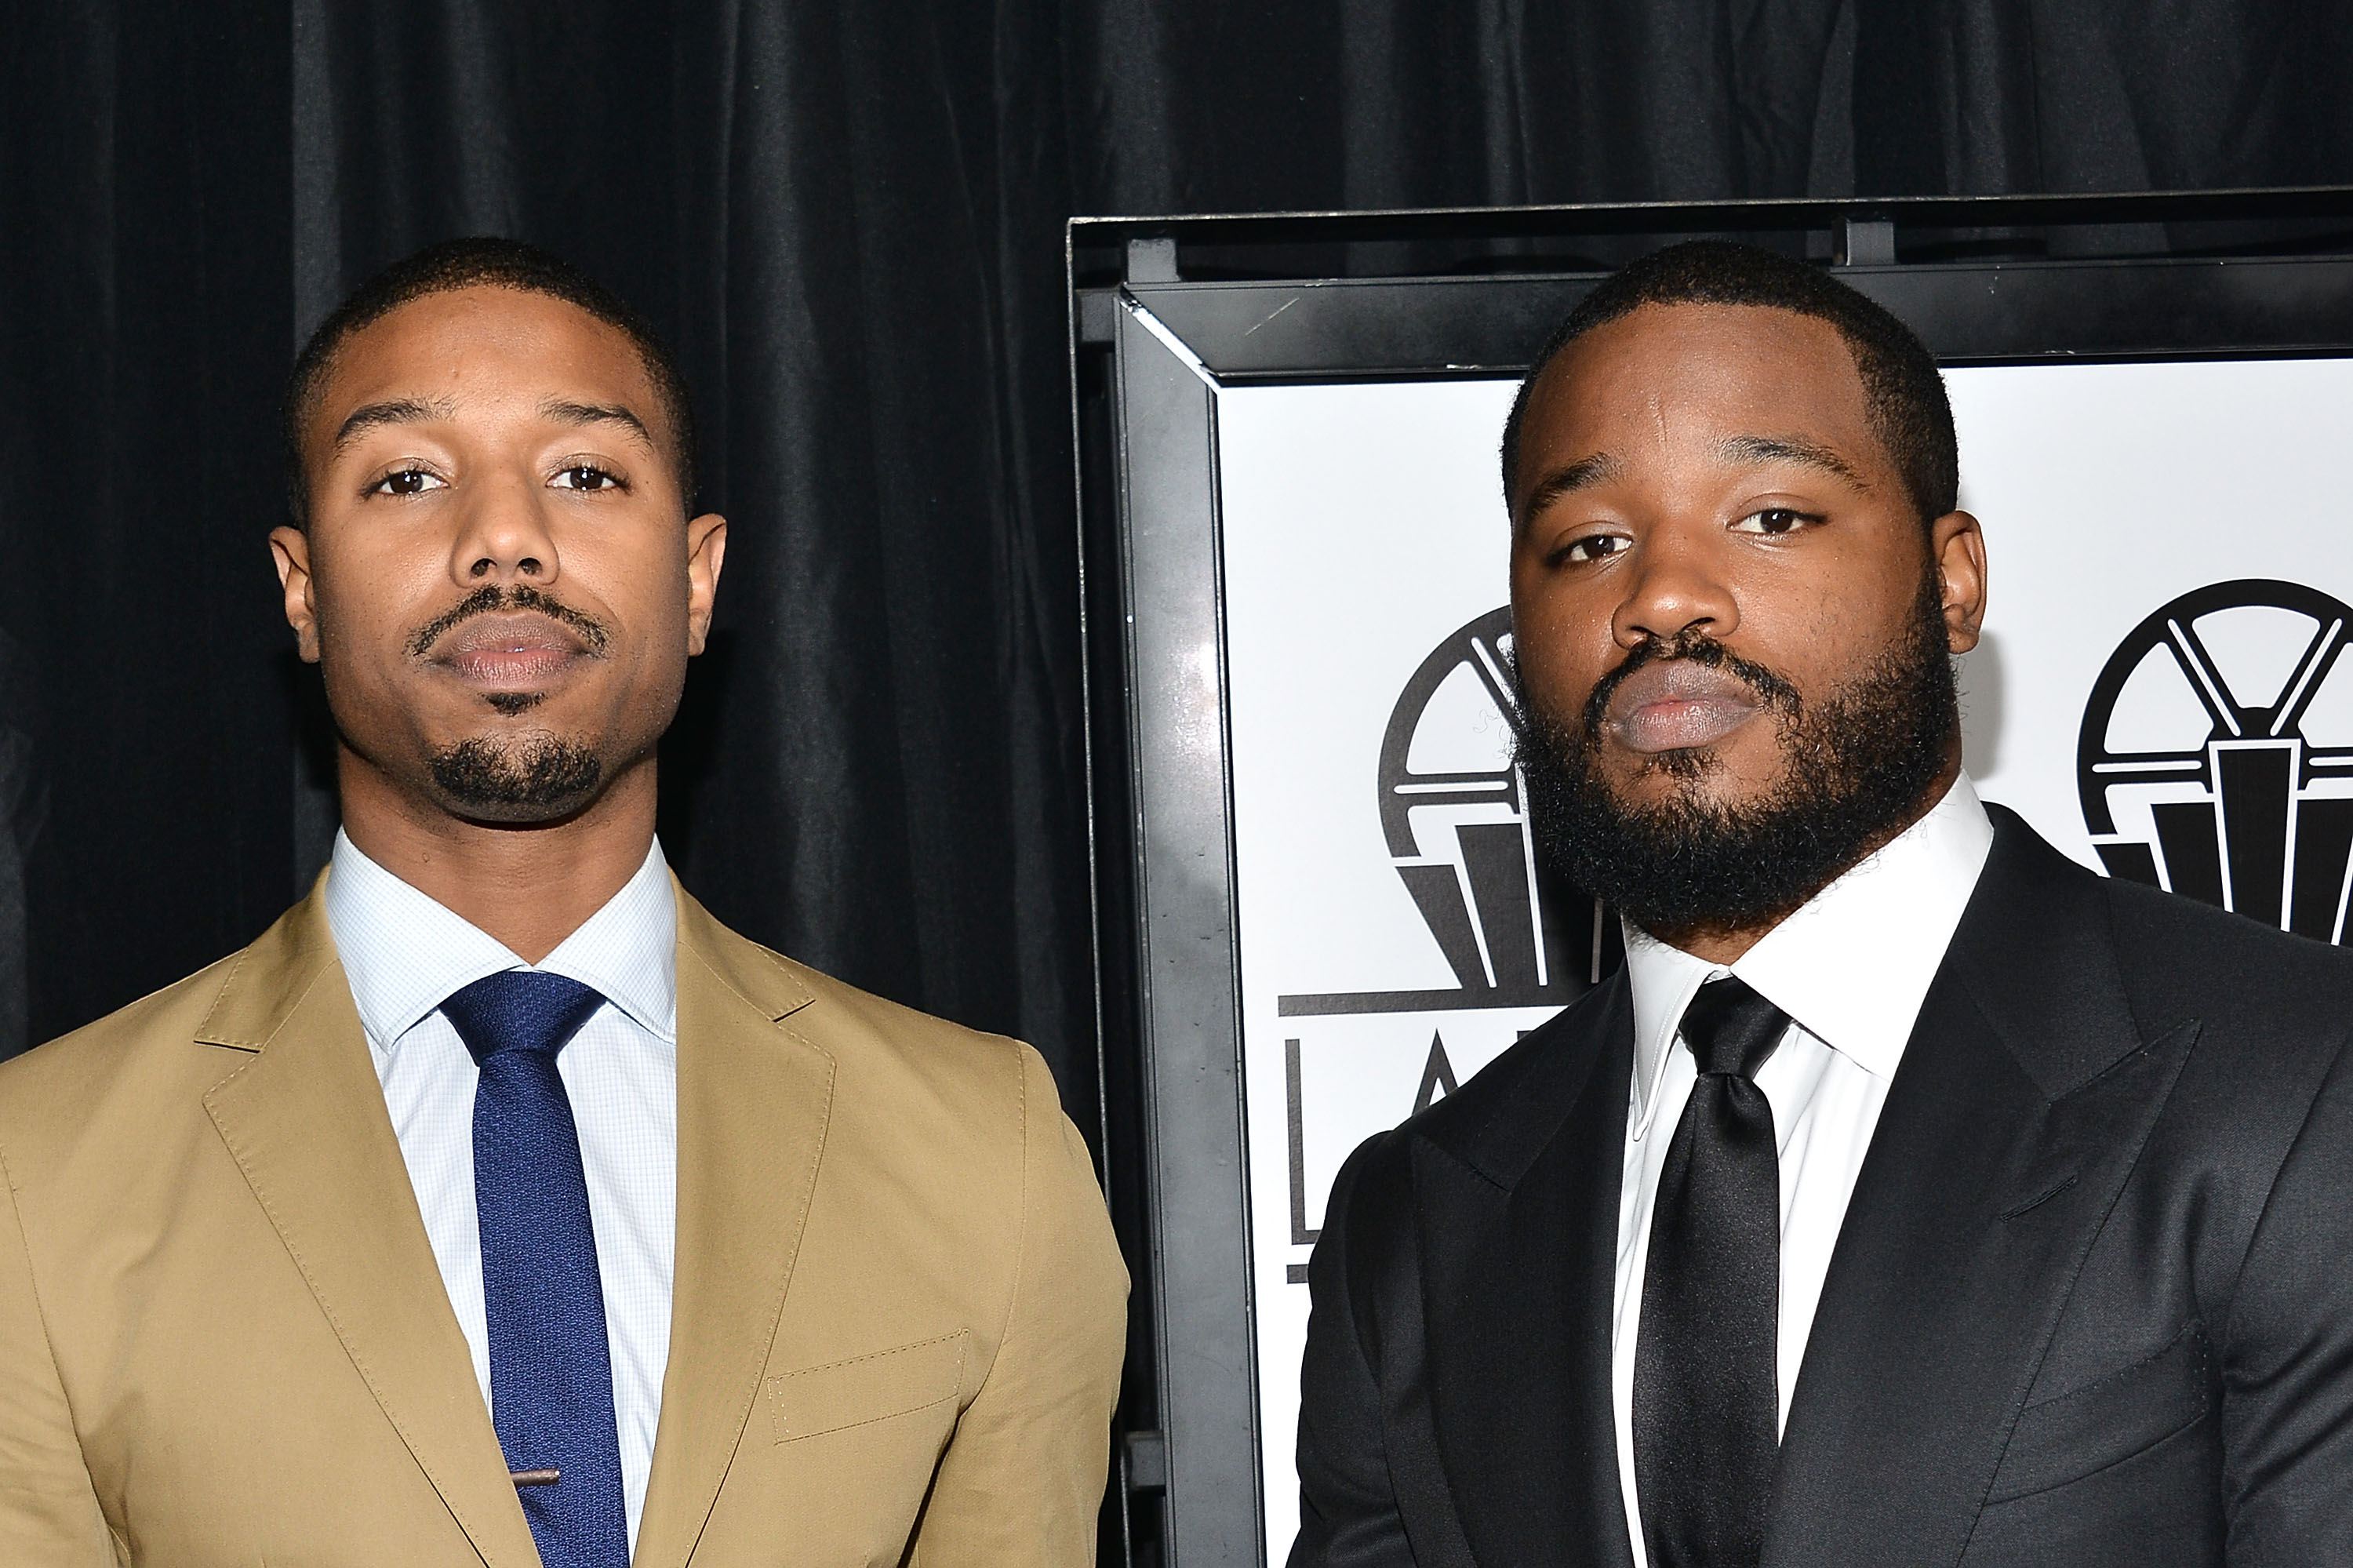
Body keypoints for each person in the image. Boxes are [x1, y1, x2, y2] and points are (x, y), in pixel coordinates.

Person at [0, 238, 1127, 1566]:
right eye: (410, 477)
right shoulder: (36, 1182)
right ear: (300, 590)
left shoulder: (984, 1158)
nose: (504, 541)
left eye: (584, 474)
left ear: (698, 578)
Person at [1291, 241, 2353, 1567]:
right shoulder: (1414, 1221)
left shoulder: (2299, 1081)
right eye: (1588, 542)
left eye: (1771, 516)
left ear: (1952, 579)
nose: (1660, 595)